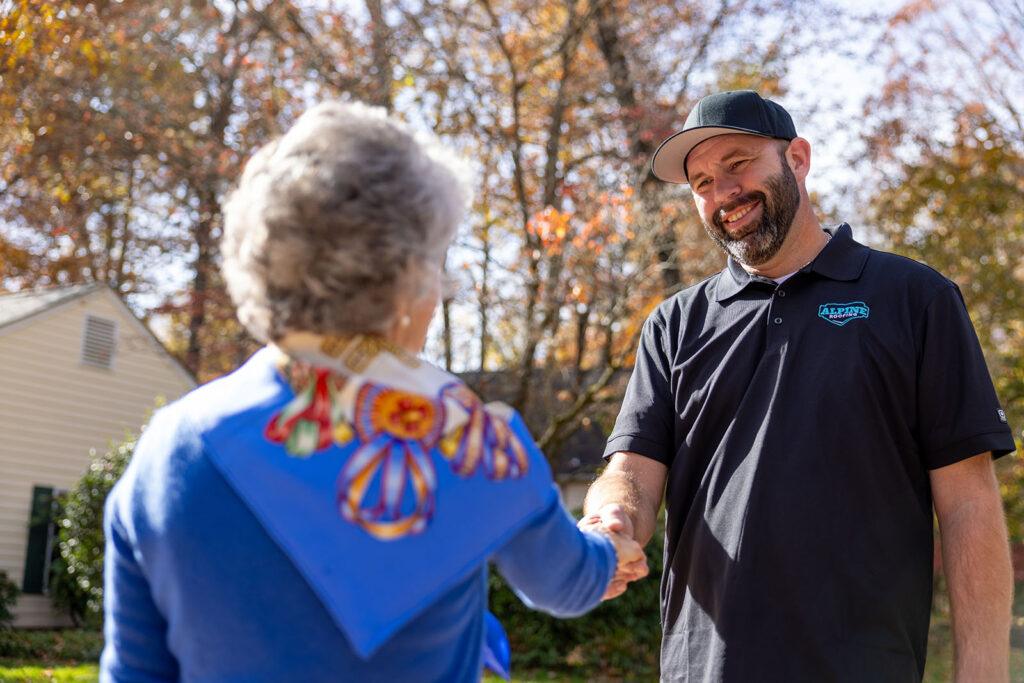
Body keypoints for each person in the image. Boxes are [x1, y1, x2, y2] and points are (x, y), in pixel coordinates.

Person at [100, 101, 645, 682]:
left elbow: (133, 672)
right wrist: (608, 545)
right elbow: (567, 583)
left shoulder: (168, 450)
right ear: (408, 279)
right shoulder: (472, 441)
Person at [580, 90, 1016, 682]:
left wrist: (982, 674)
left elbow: (968, 504)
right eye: (702, 182)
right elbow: (630, 470)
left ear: (798, 159)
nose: (722, 194)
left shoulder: (913, 298)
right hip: (704, 670)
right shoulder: (674, 324)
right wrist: (610, 519)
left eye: (738, 164)